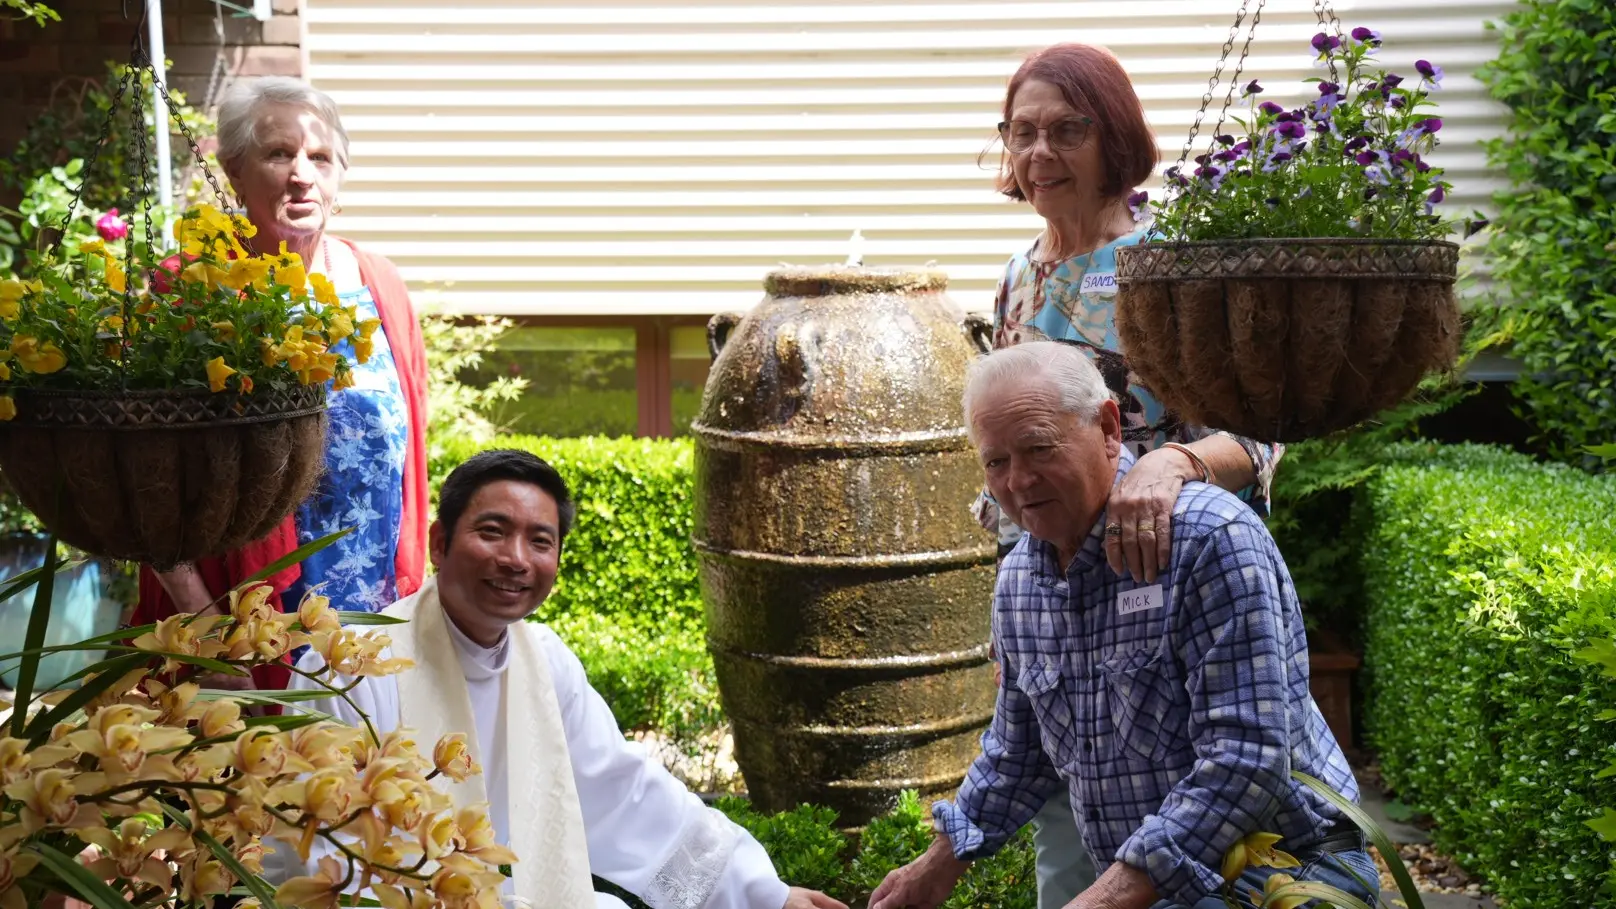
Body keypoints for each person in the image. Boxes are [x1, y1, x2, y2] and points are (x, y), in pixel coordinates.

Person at [871, 343, 1374, 909]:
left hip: (1283, 871)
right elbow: (1019, 755)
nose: (1018, 481)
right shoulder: (1019, 580)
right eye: (996, 462)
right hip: (1153, 884)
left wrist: (1103, 898)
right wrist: (938, 863)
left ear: (1109, 427)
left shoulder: (1207, 538)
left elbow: (1246, 758)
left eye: (1039, 448)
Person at [972, 44, 1285, 908]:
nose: (1040, 154)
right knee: (1067, 849)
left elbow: (1265, 430)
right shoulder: (1016, 275)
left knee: (1203, 836)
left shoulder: (1170, 262)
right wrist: (1016, 622)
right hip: (1061, 610)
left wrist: (1174, 462)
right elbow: (1013, 457)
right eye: (1022, 132)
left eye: (1066, 130)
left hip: (1174, 598)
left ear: (1113, 137)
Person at [263, 449, 847, 909]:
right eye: (492, 531)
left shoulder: (544, 660)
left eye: (540, 541)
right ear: (439, 544)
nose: (516, 558)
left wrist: (764, 896)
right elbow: (315, 851)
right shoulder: (351, 663)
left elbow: (623, 791)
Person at [135, 77, 430, 687]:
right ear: (234, 170)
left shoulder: (381, 284)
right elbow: (144, 477)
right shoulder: (194, 286)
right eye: (279, 154)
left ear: (340, 174)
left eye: (319, 157)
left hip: (375, 626)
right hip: (243, 629)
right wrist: (207, 629)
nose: (302, 174)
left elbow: (410, 463)